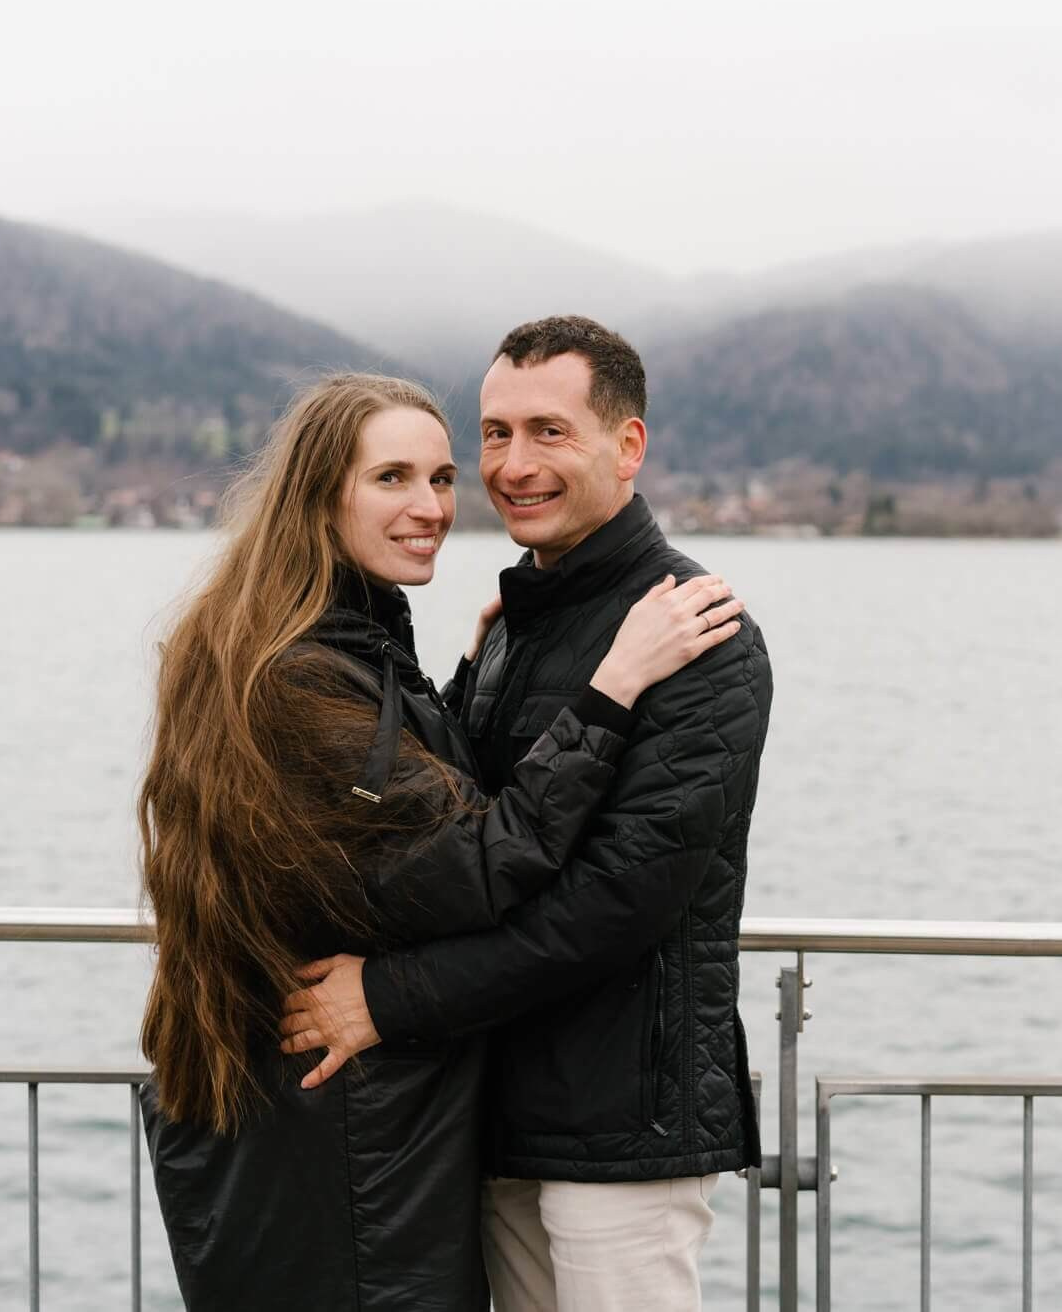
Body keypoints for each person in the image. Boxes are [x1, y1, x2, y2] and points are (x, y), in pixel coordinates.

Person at [136, 372, 744, 1311]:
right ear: (317, 495)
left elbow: (422, 826)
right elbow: (472, 858)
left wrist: (471, 678)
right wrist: (609, 683)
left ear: (627, 448)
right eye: (392, 478)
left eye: (440, 475)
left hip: (406, 1113)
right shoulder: (297, 669)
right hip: (341, 1116)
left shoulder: (321, 635)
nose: (432, 506)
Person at [281, 317, 775, 1311]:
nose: (513, 464)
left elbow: (613, 904)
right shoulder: (515, 626)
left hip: (620, 1123)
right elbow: (469, 847)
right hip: (495, 1107)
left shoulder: (697, 631)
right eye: (495, 434)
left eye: (548, 431)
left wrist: (389, 997)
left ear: (624, 445)